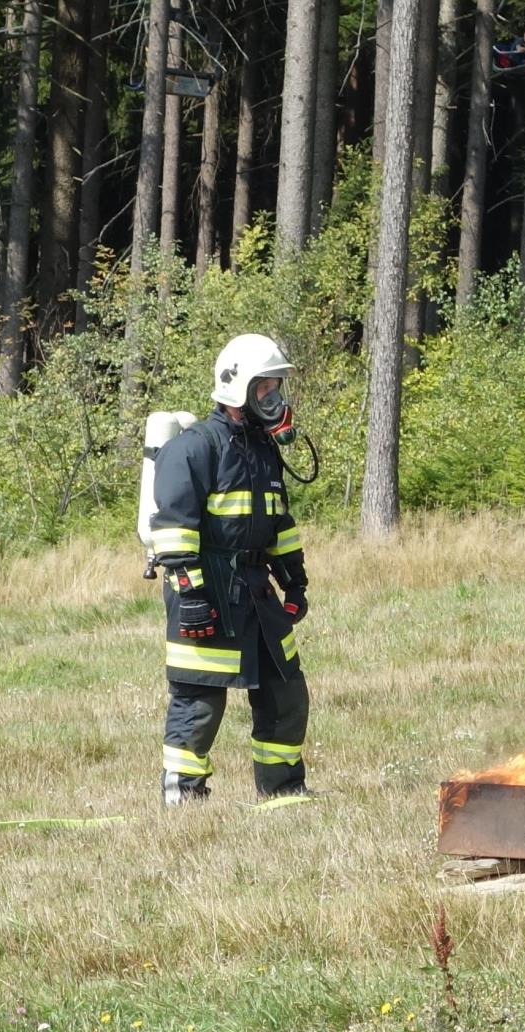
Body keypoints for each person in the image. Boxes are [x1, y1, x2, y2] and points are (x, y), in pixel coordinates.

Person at [148, 334, 312, 805]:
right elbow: (173, 533)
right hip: (209, 591)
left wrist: (294, 581)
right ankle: (183, 795)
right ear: (238, 388)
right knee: (199, 699)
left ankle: (283, 790)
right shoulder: (194, 449)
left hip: (257, 593)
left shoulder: (263, 450)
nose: (274, 396)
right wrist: (192, 597)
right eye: (265, 387)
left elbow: (278, 523)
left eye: (276, 386)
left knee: (286, 692)